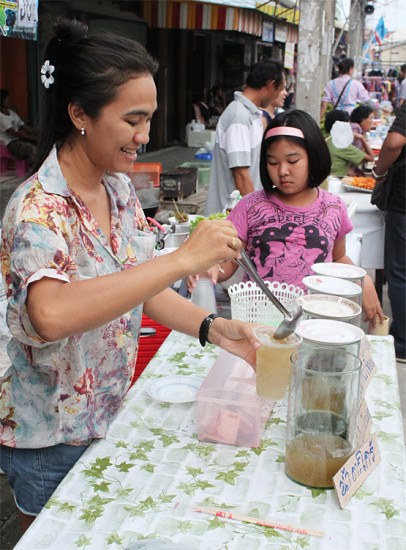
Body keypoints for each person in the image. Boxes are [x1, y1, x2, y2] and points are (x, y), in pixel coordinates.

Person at [0, 18, 263, 531]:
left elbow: (136, 284)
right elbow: (50, 315)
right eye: (133, 121)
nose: (145, 136)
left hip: (107, 411)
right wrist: (182, 259)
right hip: (50, 436)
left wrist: (213, 329)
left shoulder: (117, 189)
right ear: (79, 113)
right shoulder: (38, 209)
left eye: (150, 120)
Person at [190, 110, 383, 323]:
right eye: (273, 162)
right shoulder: (251, 206)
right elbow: (229, 261)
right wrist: (209, 268)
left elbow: (338, 257)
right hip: (259, 320)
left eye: (293, 161)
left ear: (314, 156)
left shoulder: (333, 207)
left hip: (316, 319)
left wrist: (362, 279)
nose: (282, 171)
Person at [204, 59, 285, 215]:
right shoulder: (238, 117)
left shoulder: (252, 113)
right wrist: (258, 215)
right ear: (270, 84)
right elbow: (241, 174)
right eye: (279, 89)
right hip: (231, 216)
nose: (280, 94)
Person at [373, 104, 406, 362]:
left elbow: (394, 142)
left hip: (403, 203)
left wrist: (379, 170)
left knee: (399, 272)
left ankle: (403, 343)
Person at [324, 109, 374, 177]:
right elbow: (371, 158)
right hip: (336, 181)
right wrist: (361, 138)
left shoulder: (325, 137)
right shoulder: (340, 144)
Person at [0, 88, 37, 161]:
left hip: (17, 140)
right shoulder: (0, 117)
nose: (9, 101)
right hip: (8, 143)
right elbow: (14, 133)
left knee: (40, 144)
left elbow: (24, 127)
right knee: (30, 149)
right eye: (7, 99)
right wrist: (32, 137)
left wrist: (36, 132)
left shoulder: (12, 113)